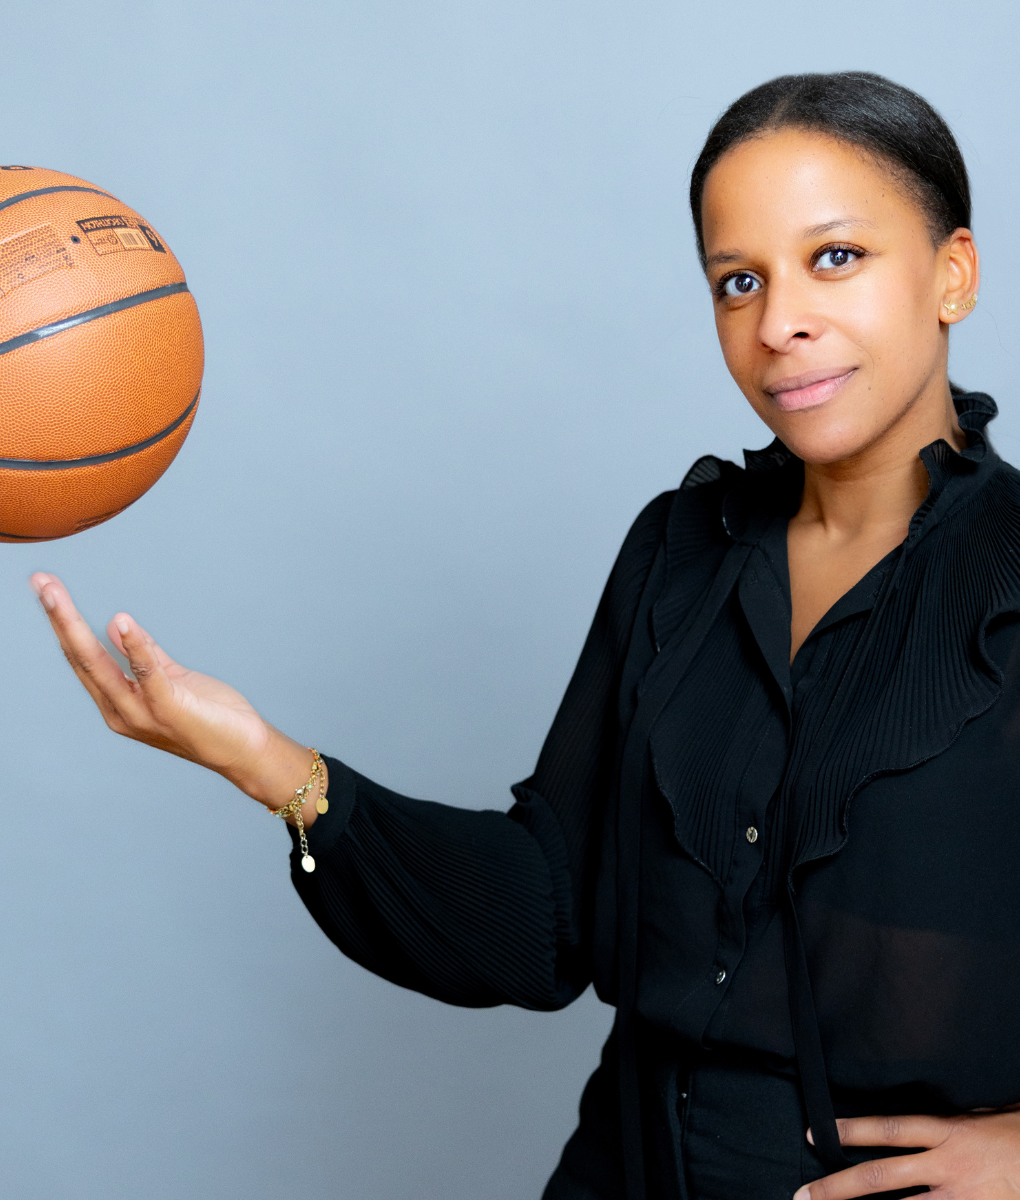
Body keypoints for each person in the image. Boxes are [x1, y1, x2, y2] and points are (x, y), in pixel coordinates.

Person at [29, 71, 1020, 1199]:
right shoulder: (680, 553)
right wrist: (264, 762)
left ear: (953, 273)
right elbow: (548, 917)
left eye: (835, 257)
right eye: (737, 281)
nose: (778, 322)